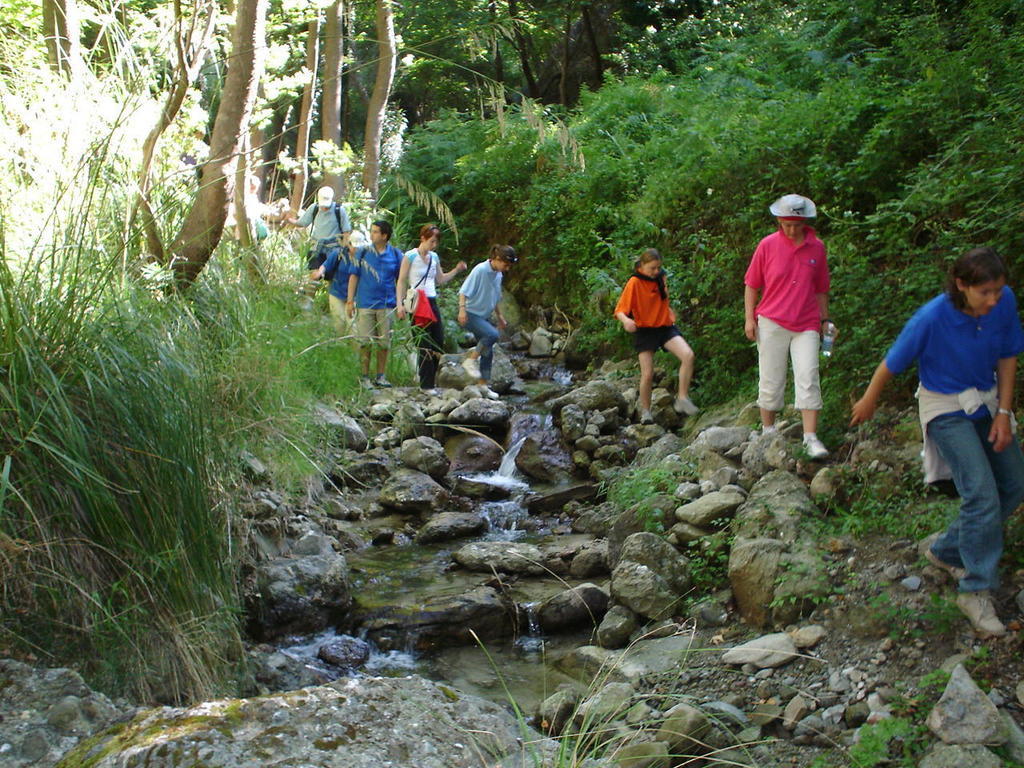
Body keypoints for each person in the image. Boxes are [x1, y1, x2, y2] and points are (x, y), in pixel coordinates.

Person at [850, 247, 1024, 638]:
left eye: (998, 290)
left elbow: (1009, 355)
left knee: (1014, 483)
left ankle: (946, 550)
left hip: (988, 401)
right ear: (962, 285)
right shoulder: (931, 318)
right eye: (985, 292)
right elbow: (892, 363)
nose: (994, 299)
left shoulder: (1003, 302)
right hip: (944, 407)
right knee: (981, 493)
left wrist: (1003, 414)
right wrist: (868, 401)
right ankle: (975, 588)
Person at [743, 193, 832, 459]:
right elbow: (751, 284)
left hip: (806, 322)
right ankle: (768, 430)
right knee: (771, 376)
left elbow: (821, 289)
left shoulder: (817, 248)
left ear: (805, 222)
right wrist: (749, 318)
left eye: (796, 223)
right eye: (787, 223)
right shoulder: (767, 245)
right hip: (771, 320)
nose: (792, 229)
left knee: (808, 375)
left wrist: (826, 320)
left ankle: (810, 437)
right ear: (779, 221)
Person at [613, 248, 698, 424]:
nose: (656, 271)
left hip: (665, 327)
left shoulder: (661, 277)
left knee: (688, 355)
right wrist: (626, 321)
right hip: (645, 330)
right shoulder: (634, 282)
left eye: (658, 267)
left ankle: (682, 398)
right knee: (648, 374)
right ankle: (645, 412)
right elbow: (620, 310)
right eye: (652, 268)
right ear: (642, 266)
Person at [395, 225, 467, 390]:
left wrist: (456, 270)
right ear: (423, 238)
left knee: (437, 341)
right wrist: (400, 304)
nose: (434, 245)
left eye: (436, 242)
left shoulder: (434, 257)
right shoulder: (410, 256)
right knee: (423, 343)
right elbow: (401, 281)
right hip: (417, 302)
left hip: (432, 301)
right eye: (431, 241)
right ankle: (426, 385)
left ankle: (430, 381)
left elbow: (440, 279)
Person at [345, 221, 403, 388]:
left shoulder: (396, 254)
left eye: (376, 232)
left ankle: (381, 376)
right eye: (372, 231)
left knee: (384, 343)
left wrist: (401, 303)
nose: (372, 235)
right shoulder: (362, 252)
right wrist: (350, 301)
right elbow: (353, 276)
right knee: (365, 342)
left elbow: (401, 280)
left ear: (385, 236)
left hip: (387, 304)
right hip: (365, 303)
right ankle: (364, 377)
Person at [458, 245, 516, 398]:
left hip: (483, 315)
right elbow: (464, 291)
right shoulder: (480, 270)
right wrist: (462, 310)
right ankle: (470, 361)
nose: (507, 269)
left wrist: (500, 316)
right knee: (492, 335)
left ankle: (483, 385)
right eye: (506, 265)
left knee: (488, 350)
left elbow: (494, 297)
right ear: (497, 259)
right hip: (470, 314)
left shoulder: (498, 274)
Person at [290, 185, 353, 292]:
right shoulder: (314, 208)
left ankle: (332, 300)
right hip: (316, 248)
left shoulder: (339, 210)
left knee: (333, 277)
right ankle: (308, 302)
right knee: (314, 275)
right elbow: (303, 223)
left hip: (334, 249)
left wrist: (345, 248)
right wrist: (289, 220)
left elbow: (346, 231)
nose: (324, 207)